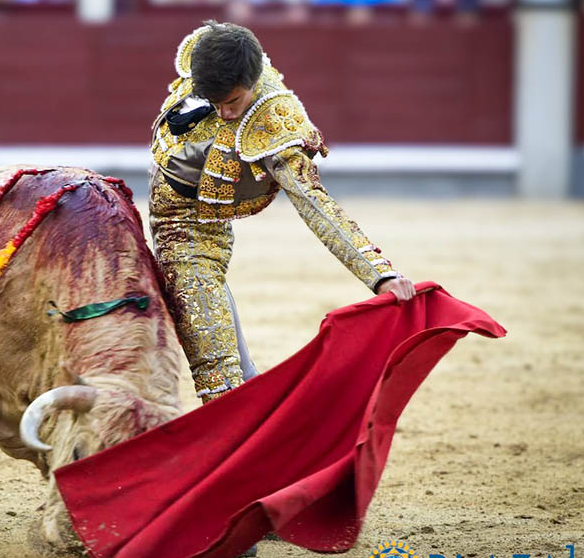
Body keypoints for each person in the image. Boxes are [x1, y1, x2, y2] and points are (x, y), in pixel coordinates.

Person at [149, 21, 415, 404]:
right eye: (215, 102)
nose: (224, 114)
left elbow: (316, 205)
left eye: (233, 103)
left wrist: (380, 275)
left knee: (221, 378)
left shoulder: (276, 122)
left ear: (254, 81)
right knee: (229, 361)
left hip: (192, 232)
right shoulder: (217, 59)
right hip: (178, 220)